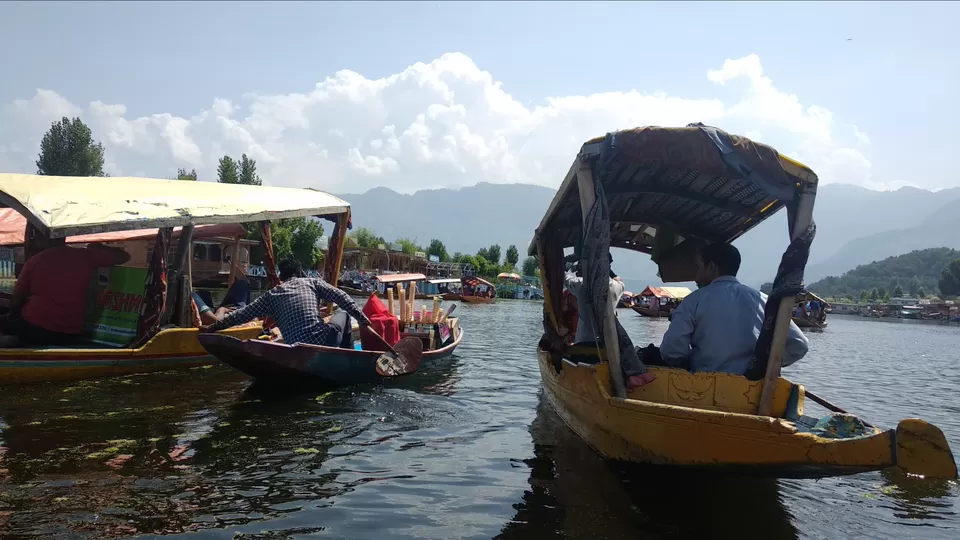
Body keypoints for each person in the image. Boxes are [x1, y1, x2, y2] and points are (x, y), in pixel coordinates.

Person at [658, 243, 809, 375]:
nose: (696, 276)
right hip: (753, 390)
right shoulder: (763, 301)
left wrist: (687, 365)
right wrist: (764, 366)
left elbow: (671, 349)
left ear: (711, 267)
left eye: (698, 268)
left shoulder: (694, 301)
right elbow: (799, 344)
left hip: (703, 388)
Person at [200, 258, 372, 348]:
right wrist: (363, 319)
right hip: (324, 340)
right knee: (342, 313)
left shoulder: (271, 295)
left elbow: (239, 316)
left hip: (296, 346)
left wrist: (212, 328)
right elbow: (342, 296)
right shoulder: (312, 282)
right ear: (300, 273)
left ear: (282, 278)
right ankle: (345, 354)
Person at [0, 242, 131, 347]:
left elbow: (16, 300)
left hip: (34, 328)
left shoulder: (35, 260)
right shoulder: (86, 255)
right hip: (69, 333)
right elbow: (124, 257)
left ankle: (12, 342)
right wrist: (97, 247)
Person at [565, 256, 655, 389]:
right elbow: (618, 279)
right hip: (610, 345)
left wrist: (571, 267)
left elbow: (566, 277)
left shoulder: (580, 285)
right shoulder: (617, 287)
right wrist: (610, 272)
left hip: (584, 346)